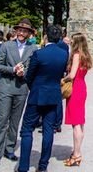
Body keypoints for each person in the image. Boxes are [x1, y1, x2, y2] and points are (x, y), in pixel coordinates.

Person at [16, 25, 69, 172]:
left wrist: (31, 85)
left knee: (27, 130)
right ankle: (43, 166)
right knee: (48, 130)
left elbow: (30, 76)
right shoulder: (64, 55)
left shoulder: (39, 54)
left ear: (46, 36)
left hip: (37, 94)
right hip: (53, 95)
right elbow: (62, 74)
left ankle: (23, 166)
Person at [0, 19, 38, 165]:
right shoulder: (6, 46)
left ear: (29, 33)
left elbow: (33, 68)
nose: (22, 33)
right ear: (16, 31)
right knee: (2, 118)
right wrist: (13, 70)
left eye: (25, 31)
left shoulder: (33, 48)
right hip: (5, 86)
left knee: (15, 120)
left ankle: (9, 148)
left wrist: (25, 73)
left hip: (22, 88)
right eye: (20, 30)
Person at [62, 33, 92, 167]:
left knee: (76, 123)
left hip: (75, 88)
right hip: (82, 87)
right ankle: (76, 151)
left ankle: (77, 154)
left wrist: (63, 79)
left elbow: (72, 74)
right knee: (80, 122)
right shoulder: (85, 56)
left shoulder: (76, 55)